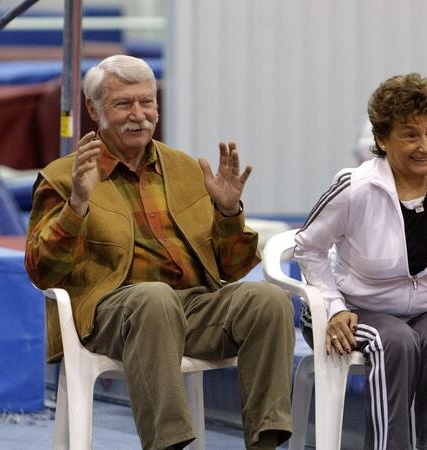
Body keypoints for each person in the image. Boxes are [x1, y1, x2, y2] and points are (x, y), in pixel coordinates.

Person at [25, 55, 294, 450]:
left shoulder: (186, 169)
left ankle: (265, 443)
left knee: (269, 301)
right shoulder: (65, 177)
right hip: (110, 314)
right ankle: (168, 444)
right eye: (123, 104)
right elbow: (41, 271)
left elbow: (232, 268)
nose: (139, 115)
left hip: (192, 309)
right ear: (94, 110)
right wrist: (77, 205)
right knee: (154, 298)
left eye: (147, 101)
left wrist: (228, 213)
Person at [294, 73, 427, 450]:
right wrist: (332, 307)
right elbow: (307, 247)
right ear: (382, 139)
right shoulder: (354, 188)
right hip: (355, 309)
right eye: (410, 135)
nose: (425, 146)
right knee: (395, 342)